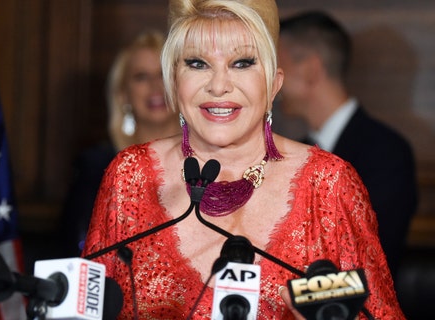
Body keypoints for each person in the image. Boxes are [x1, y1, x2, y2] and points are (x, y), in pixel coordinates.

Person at [82, 0, 405, 318]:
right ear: (173, 80)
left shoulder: (328, 184)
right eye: (197, 63)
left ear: (274, 83)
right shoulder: (130, 175)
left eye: (242, 63)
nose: (219, 86)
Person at [277, 10, 418, 277]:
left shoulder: (386, 152)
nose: (273, 82)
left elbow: (371, 260)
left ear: (310, 69)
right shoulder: (295, 152)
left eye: (278, 67)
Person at [58, 30, 180, 257]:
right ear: (123, 94)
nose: (155, 87)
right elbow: (77, 247)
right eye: (141, 77)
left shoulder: (208, 161)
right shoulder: (96, 166)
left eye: (163, 74)